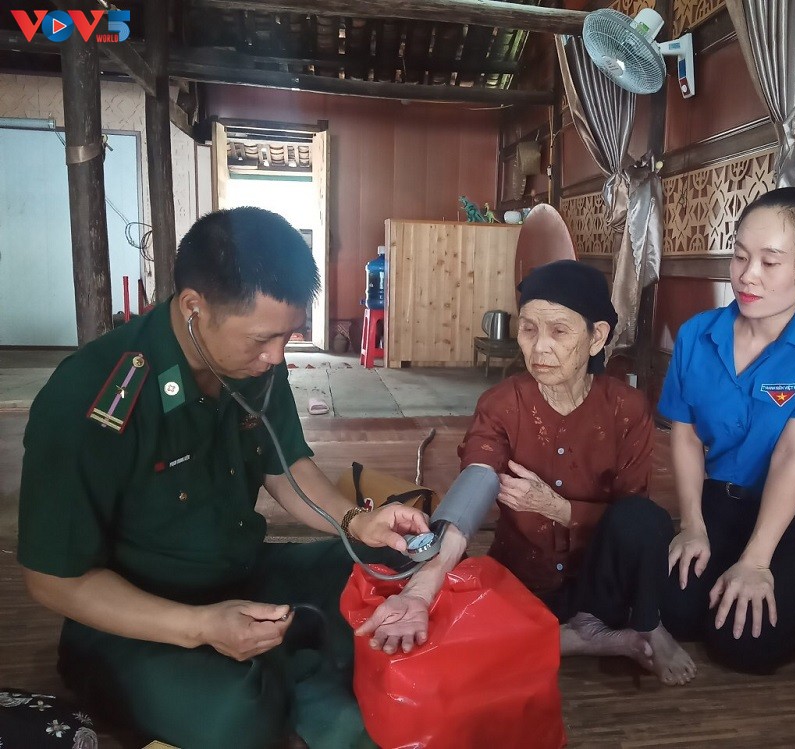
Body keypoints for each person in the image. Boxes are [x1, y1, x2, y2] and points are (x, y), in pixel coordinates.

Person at [18, 207, 429, 749]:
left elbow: (285, 466)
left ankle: (289, 661)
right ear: (194, 307)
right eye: (262, 339)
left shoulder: (253, 365)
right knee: (237, 717)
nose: (276, 357)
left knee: (389, 562)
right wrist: (200, 627)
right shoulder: (91, 398)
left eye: (288, 335)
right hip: (140, 616)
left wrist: (356, 521)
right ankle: (299, 665)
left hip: (244, 573)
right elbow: (52, 580)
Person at [357, 259, 697, 686]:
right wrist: (421, 590)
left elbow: (633, 519)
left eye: (559, 331)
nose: (539, 348)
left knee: (648, 521)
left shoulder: (626, 408)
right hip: (524, 581)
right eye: (529, 329)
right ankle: (586, 639)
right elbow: (477, 479)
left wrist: (559, 508)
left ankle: (645, 624)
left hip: (600, 587)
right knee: (453, 630)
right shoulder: (502, 404)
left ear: (596, 337)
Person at [657, 186, 795, 674]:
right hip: (722, 505)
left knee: (742, 644)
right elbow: (685, 434)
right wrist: (692, 525)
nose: (747, 275)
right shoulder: (698, 334)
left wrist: (756, 562)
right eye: (739, 256)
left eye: (770, 262)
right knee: (672, 612)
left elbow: (794, 455)